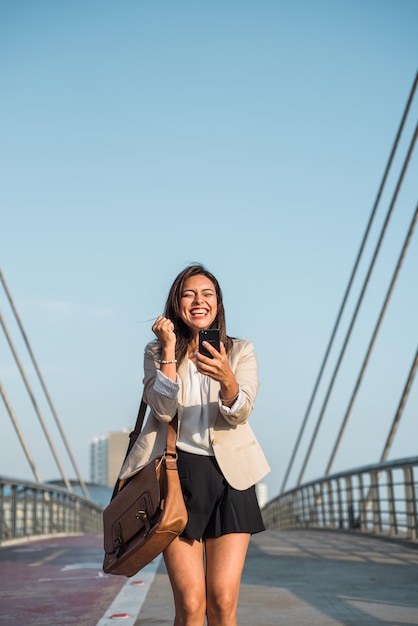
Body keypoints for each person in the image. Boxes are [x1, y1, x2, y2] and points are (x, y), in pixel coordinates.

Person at [120, 263, 270, 626]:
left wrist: (227, 379)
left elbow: (240, 412)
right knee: (189, 606)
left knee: (221, 601)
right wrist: (170, 350)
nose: (198, 301)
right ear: (177, 303)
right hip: (176, 476)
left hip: (232, 477)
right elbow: (162, 409)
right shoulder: (156, 351)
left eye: (207, 294)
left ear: (218, 303)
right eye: (189, 294)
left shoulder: (240, 351)